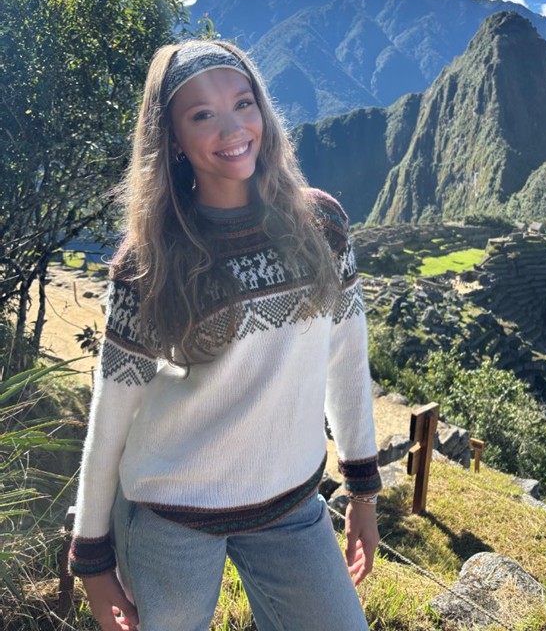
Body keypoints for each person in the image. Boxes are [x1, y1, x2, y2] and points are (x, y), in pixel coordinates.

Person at [69, 39, 382, 631]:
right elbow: (111, 413)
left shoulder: (323, 226)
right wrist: (93, 559)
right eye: (202, 115)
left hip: (291, 505)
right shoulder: (150, 261)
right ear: (173, 140)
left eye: (243, 103)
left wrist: (362, 490)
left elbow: (346, 355)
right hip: (170, 510)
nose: (233, 127)